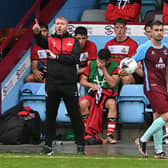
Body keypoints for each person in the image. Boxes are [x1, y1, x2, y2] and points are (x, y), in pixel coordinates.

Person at [32, 16, 85, 155]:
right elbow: (39, 41)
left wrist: (56, 57)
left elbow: (75, 59)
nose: (59, 26)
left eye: (62, 24)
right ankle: (48, 146)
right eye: (57, 24)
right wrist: (37, 32)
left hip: (69, 84)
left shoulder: (73, 41)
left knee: (75, 115)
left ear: (67, 26)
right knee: (50, 115)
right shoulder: (49, 40)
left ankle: (80, 145)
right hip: (52, 84)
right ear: (54, 26)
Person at [134, 20, 168, 159]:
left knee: (158, 117)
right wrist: (123, 70)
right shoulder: (144, 48)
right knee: (166, 115)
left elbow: (167, 70)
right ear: (151, 32)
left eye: (161, 30)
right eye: (156, 30)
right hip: (151, 86)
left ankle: (158, 151)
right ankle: (142, 140)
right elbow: (131, 62)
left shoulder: (166, 48)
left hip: (162, 86)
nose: (159, 33)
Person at [79, 49, 120, 144]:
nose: (99, 63)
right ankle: (88, 132)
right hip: (93, 94)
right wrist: (91, 85)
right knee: (83, 102)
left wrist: (104, 70)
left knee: (112, 104)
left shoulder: (115, 66)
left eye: (102, 62)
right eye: (98, 60)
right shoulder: (92, 64)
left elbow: (112, 83)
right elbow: (82, 81)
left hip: (107, 95)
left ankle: (110, 135)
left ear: (108, 61)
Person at [105, 17, 143, 84]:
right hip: (112, 71)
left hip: (126, 72)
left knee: (126, 79)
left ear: (125, 29)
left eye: (121, 28)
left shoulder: (133, 44)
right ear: (114, 29)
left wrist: (122, 70)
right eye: (117, 27)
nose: (119, 30)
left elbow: (132, 63)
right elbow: (106, 61)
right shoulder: (108, 44)